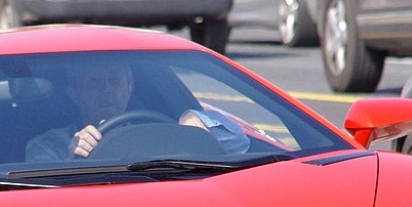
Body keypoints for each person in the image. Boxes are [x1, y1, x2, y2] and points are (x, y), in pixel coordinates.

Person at [25, 61, 248, 161]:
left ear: (129, 88)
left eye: (115, 81)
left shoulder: (156, 133)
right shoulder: (48, 144)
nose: (107, 91)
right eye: (94, 83)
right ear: (74, 94)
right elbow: (36, 192)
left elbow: (241, 143)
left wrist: (195, 120)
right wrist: (71, 156)